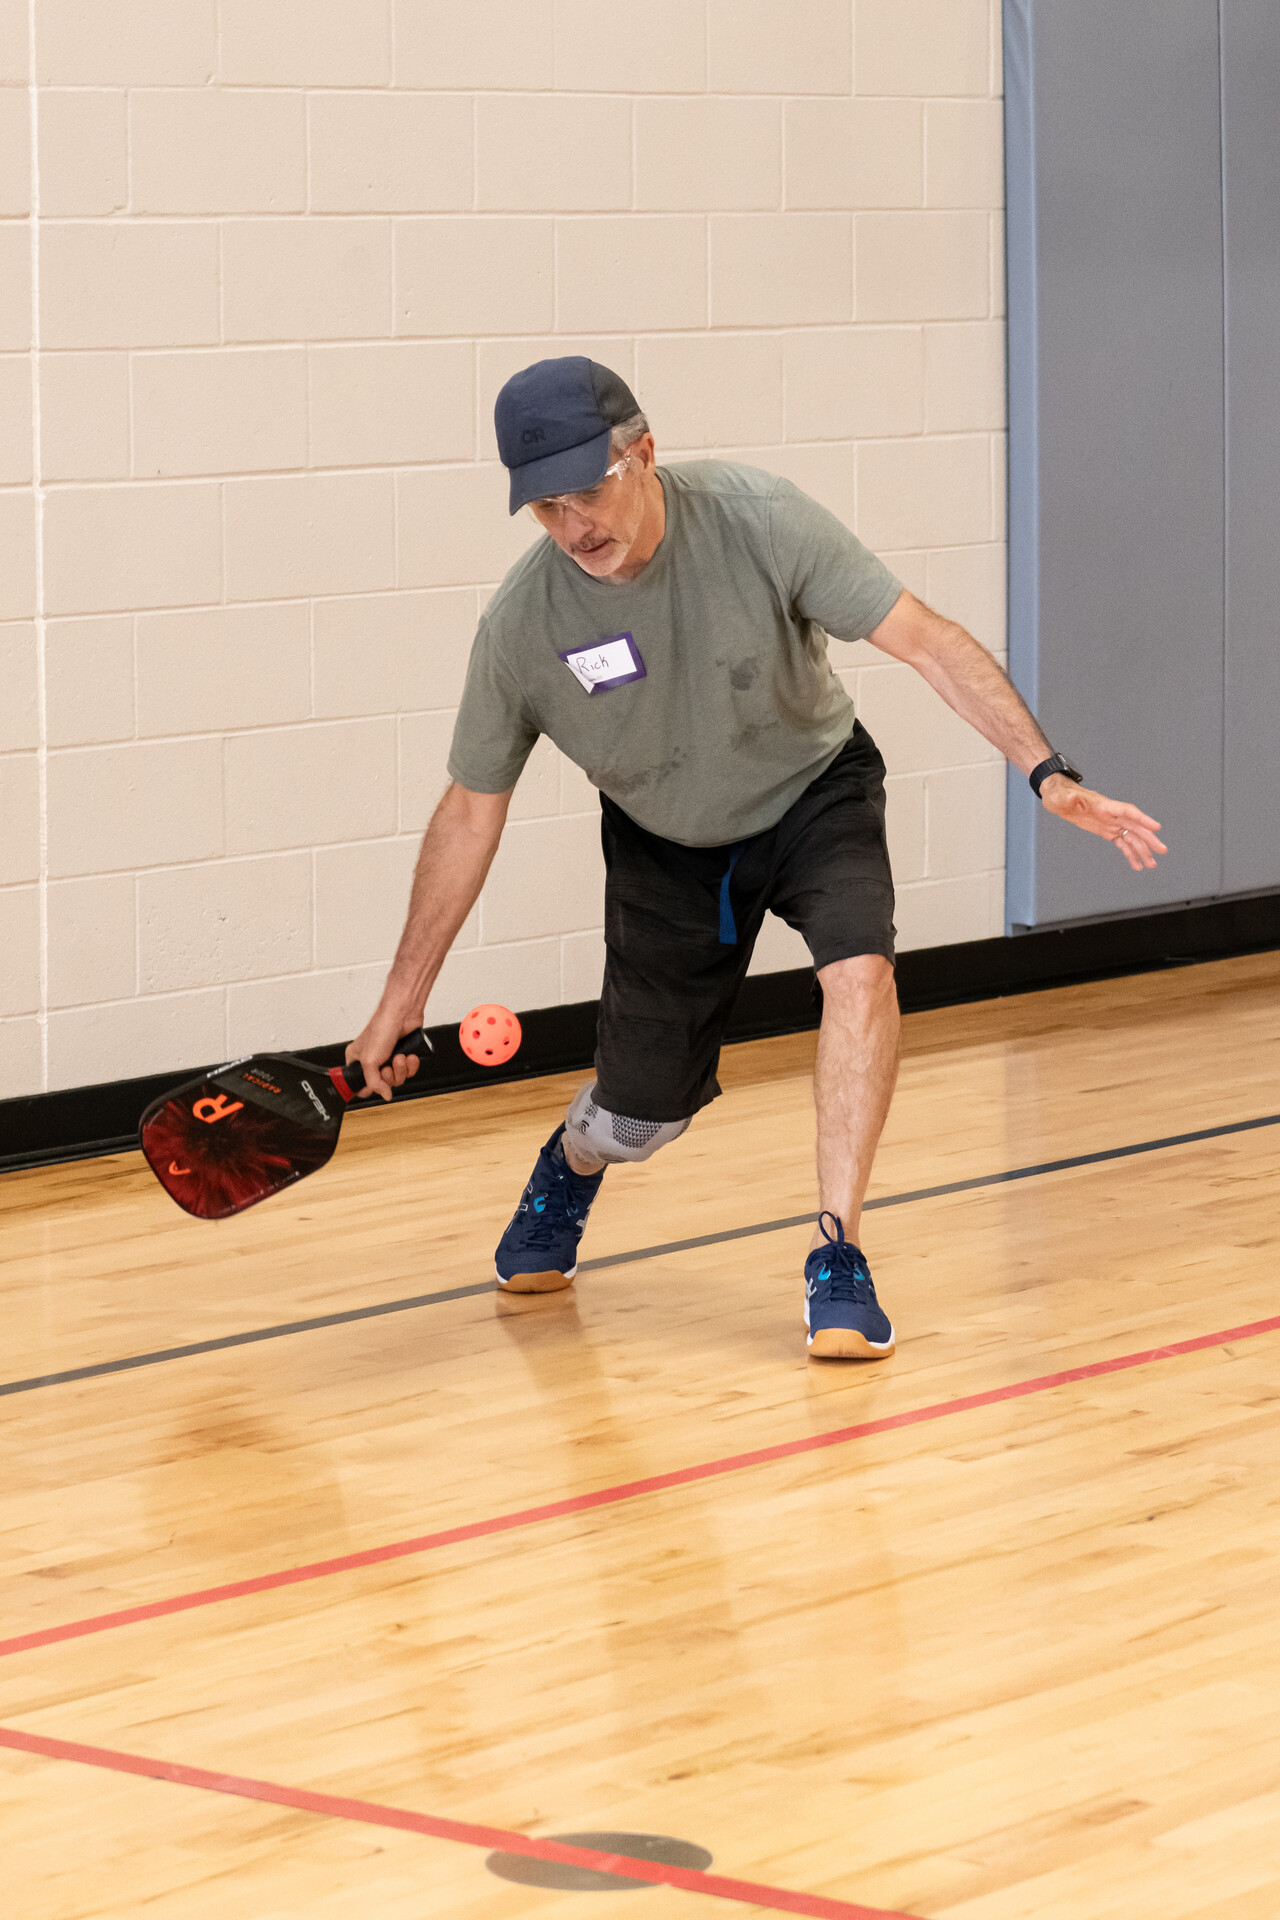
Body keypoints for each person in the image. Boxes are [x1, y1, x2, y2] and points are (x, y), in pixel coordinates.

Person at [347, 357, 1165, 1359]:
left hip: (812, 791)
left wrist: (1046, 772)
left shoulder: (758, 519)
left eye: (588, 490)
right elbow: (471, 813)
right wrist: (401, 995)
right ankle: (572, 1163)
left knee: (859, 972)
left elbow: (925, 640)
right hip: (666, 848)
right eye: (545, 507)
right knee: (636, 1122)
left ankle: (837, 1254)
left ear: (641, 453)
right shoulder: (523, 627)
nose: (573, 526)